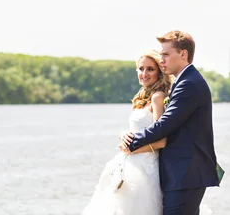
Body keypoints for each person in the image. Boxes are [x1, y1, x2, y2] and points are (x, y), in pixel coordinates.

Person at [121, 30, 219, 215]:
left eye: (166, 54)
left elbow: (164, 125)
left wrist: (131, 142)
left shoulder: (189, 84)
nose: (162, 59)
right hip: (180, 174)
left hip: (186, 174)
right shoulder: (184, 81)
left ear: (183, 54)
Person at [82, 50, 173, 215]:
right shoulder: (142, 97)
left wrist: (132, 149)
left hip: (145, 168)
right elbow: (137, 128)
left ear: (159, 72)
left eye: (150, 69)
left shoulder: (158, 97)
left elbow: (162, 141)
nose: (144, 73)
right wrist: (122, 134)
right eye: (141, 69)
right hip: (129, 163)